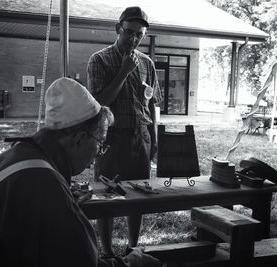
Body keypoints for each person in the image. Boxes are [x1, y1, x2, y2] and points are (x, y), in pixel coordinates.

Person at [0, 77, 162, 267]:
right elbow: (82, 262)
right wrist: (130, 263)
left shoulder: (0, 162)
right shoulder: (47, 186)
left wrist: (63, 202)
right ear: (79, 138)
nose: (98, 154)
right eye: (100, 143)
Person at [86, 6, 162, 256]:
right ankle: (107, 252)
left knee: (138, 195)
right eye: (129, 32)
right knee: (106, 196)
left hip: (141, 136)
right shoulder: (99, 60)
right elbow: (99, 104)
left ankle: (132, 248)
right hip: (111, 137)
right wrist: (123, 72)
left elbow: (152, 103)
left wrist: (155, 140)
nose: (134, 38)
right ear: (118, 29)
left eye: (139, 34)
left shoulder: (148, 63)